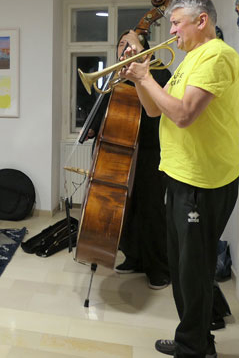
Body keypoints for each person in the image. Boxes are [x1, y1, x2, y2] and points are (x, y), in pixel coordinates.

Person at [122, 0, 239, 358]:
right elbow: (155, 110)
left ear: (201, 20)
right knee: (183, 268)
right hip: (180, 176)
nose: (172, 30)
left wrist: (147, 77)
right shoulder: (191, 59)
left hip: (202, 181)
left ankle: (194, 348)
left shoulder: (216, 56)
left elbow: (184, 114)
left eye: (177, 23)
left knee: (193, 271)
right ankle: (196, 339)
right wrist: (139, 79)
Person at [87, 30, 171, 290]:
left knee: (151, 209)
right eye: (120, 44)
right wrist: (93, 127)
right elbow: (108, 108)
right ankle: (134, 257)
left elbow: (158, 106)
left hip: (150, 150)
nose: (123, 48)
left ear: (143, 48)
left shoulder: (158, 70)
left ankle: (159, 269)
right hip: (123, 150)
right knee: (127, 210)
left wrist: (141, 70)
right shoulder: (117, 75)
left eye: (129, 43)